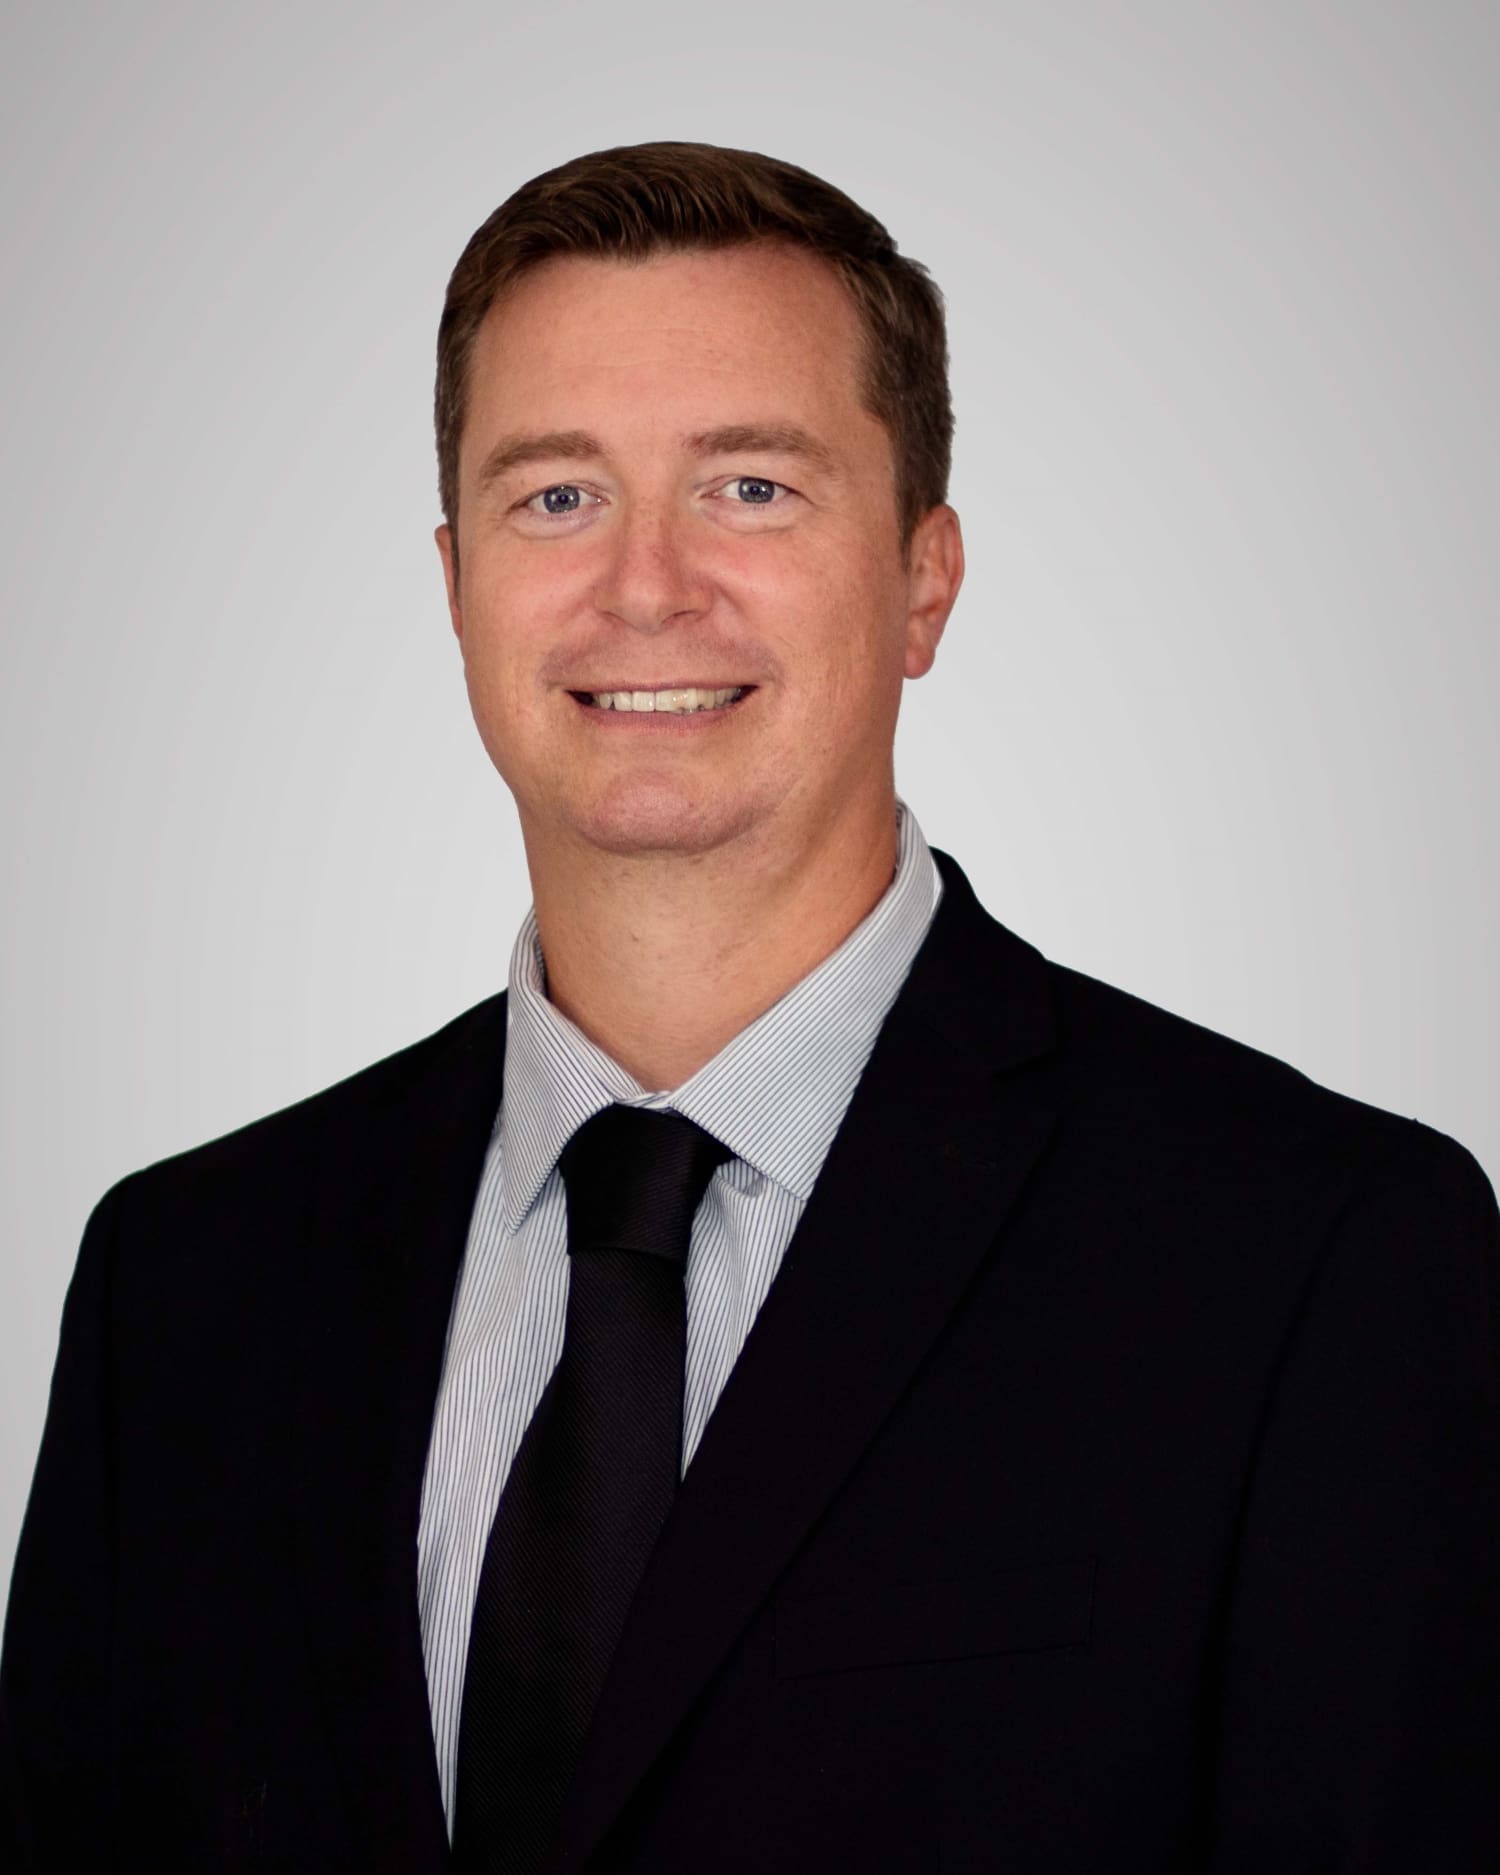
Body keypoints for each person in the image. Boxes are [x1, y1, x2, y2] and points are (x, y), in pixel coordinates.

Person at [3, 140, 1497, 1875]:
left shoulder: (1317, 1257)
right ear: (456, 586)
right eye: (555, 495)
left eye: (752, 489)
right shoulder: (181, 1289)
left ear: (924, 579)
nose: (645, 585)